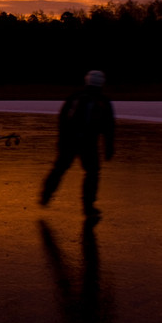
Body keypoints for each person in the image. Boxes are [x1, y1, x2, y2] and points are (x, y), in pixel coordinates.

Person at [40, 70, 115, 218]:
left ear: (87, 81)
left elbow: (62, 120)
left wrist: (61, 140)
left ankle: (46, 195)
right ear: (101, 83)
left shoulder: (75, 97)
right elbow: (109, 127)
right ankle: (88, 206)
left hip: (70, 141)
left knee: (60, 168)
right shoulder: (103, 102)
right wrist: (109, 148)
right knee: (92, 173)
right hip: (89, 143)